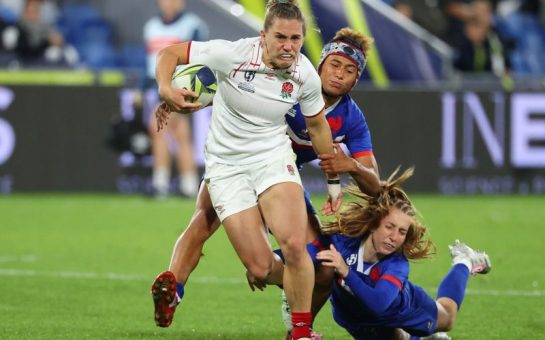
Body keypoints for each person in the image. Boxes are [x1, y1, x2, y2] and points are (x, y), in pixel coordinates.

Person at [150, 25, 381, 333]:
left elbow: (374, 183)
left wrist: (350, 165)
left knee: (325, 269)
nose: (339, 74)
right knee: (204, 218)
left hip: (281, 177)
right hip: (242, 162)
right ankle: (173, 288)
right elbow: (234, 93)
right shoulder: (291, 78)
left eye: (349, 70)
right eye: (335, 64)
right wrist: (176, 100)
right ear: (322, 62)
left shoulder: (351, 118)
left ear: (356, 79)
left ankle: (298, 322)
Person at [308, 167, 491, 339]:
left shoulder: (397, 264)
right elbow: (295, 257)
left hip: (402, 311)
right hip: (356, 319)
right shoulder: (342, 243)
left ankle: (464, 260)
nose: (394, 237)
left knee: (447, 316)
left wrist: (345, 270)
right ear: (373, 224)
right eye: (389, 227)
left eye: (402, 232)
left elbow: (378, 304)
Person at [144, 0, 208, 198]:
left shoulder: (193, 25)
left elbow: (201, 59)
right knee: (175, 133)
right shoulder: (150, 27)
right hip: (157, 88)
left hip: (181, 88)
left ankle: (161, 183)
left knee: (162, 130)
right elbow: (148, 62)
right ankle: (187, 185)